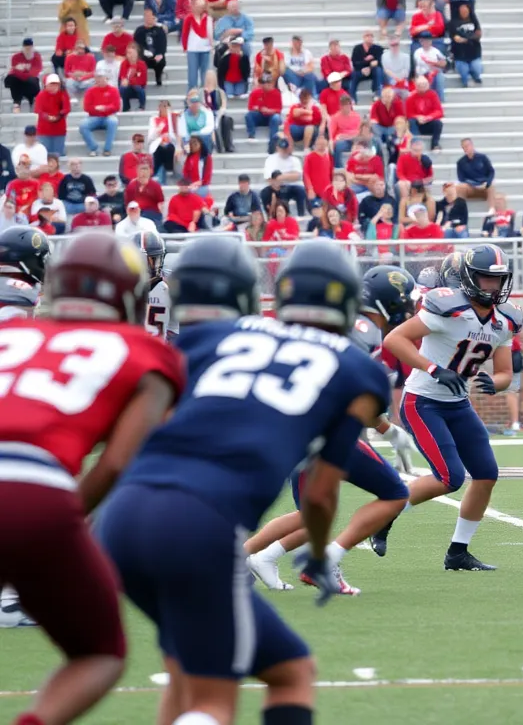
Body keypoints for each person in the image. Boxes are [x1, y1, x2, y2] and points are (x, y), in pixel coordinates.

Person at [96, 239, 389, 725]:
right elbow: (319, 492)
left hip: (122, 515)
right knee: (255, 687)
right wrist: (318, 552)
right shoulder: (359, 369)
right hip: (198, 524)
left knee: (189, 674)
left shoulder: (212, 337)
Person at [0, 231, 183, 724]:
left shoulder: (12, 331)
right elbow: (122, 462)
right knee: (99, 650)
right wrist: (65, 524)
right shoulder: (143, 350)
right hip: (29, 490)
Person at [244, 263, 417, 586]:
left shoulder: (337, 324)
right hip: (319, 432)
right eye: (404, 300)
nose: (408, 307)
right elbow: (348, 390)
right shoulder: (363, 330)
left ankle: (253, 557)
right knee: (394, 493)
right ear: (387, 301)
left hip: (296, 427)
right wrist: (388, 429)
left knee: (311, 514)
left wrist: (386, 430)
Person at [384, 244, 522, 569]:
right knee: (449, 477)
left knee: (486, 475)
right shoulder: (448, 308)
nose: (493, 286)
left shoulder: (505, 320)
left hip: (458, 404)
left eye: (498, 280)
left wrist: (495, 383)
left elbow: (505, 373)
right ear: (471, 278)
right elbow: (394, 340)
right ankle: (385, 510)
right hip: (423, 401)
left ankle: (458, 552)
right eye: (486, 279)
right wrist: (433, 369)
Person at [450, 3, 483, 87]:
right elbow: (455, 38)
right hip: (460, 55)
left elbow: (478, 35)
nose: (464, 12)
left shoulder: (474, 21)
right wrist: (470, 38)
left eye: (465, 10)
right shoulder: (453, 23)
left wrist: (465, 39)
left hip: (474, 54)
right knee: (464, 76)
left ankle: (473, 72)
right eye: (462, 10)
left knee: (477, 72)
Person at [6, 38, 42, 113]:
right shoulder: (16, 57)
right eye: (26, 48)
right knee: (13, 79)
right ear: (23, 48)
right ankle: (17, 103)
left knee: (32, 80)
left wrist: (22, 70)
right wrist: (26, 72)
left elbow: (35, 73)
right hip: (19, 82)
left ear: (32, 48)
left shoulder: (37, 57)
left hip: (31, 84)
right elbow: (14, 71)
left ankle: (31, 101)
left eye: (30, 48)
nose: (28, 50)